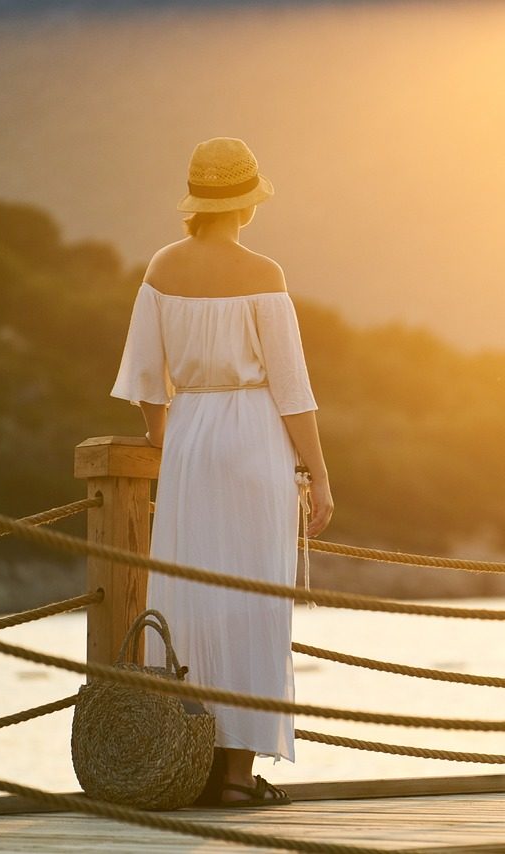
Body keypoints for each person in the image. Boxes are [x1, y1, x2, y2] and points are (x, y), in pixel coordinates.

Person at [111, 137, 333, 807]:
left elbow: (148, 378)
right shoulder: (265, 273)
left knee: (187, 598)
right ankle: (236, 775)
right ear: (248, 203)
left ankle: (190, 764)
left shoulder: (161, 268)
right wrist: (318, 475)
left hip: (190, 441)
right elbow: (293, 390)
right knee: (250, 603)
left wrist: (165, 438)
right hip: (253, 439)